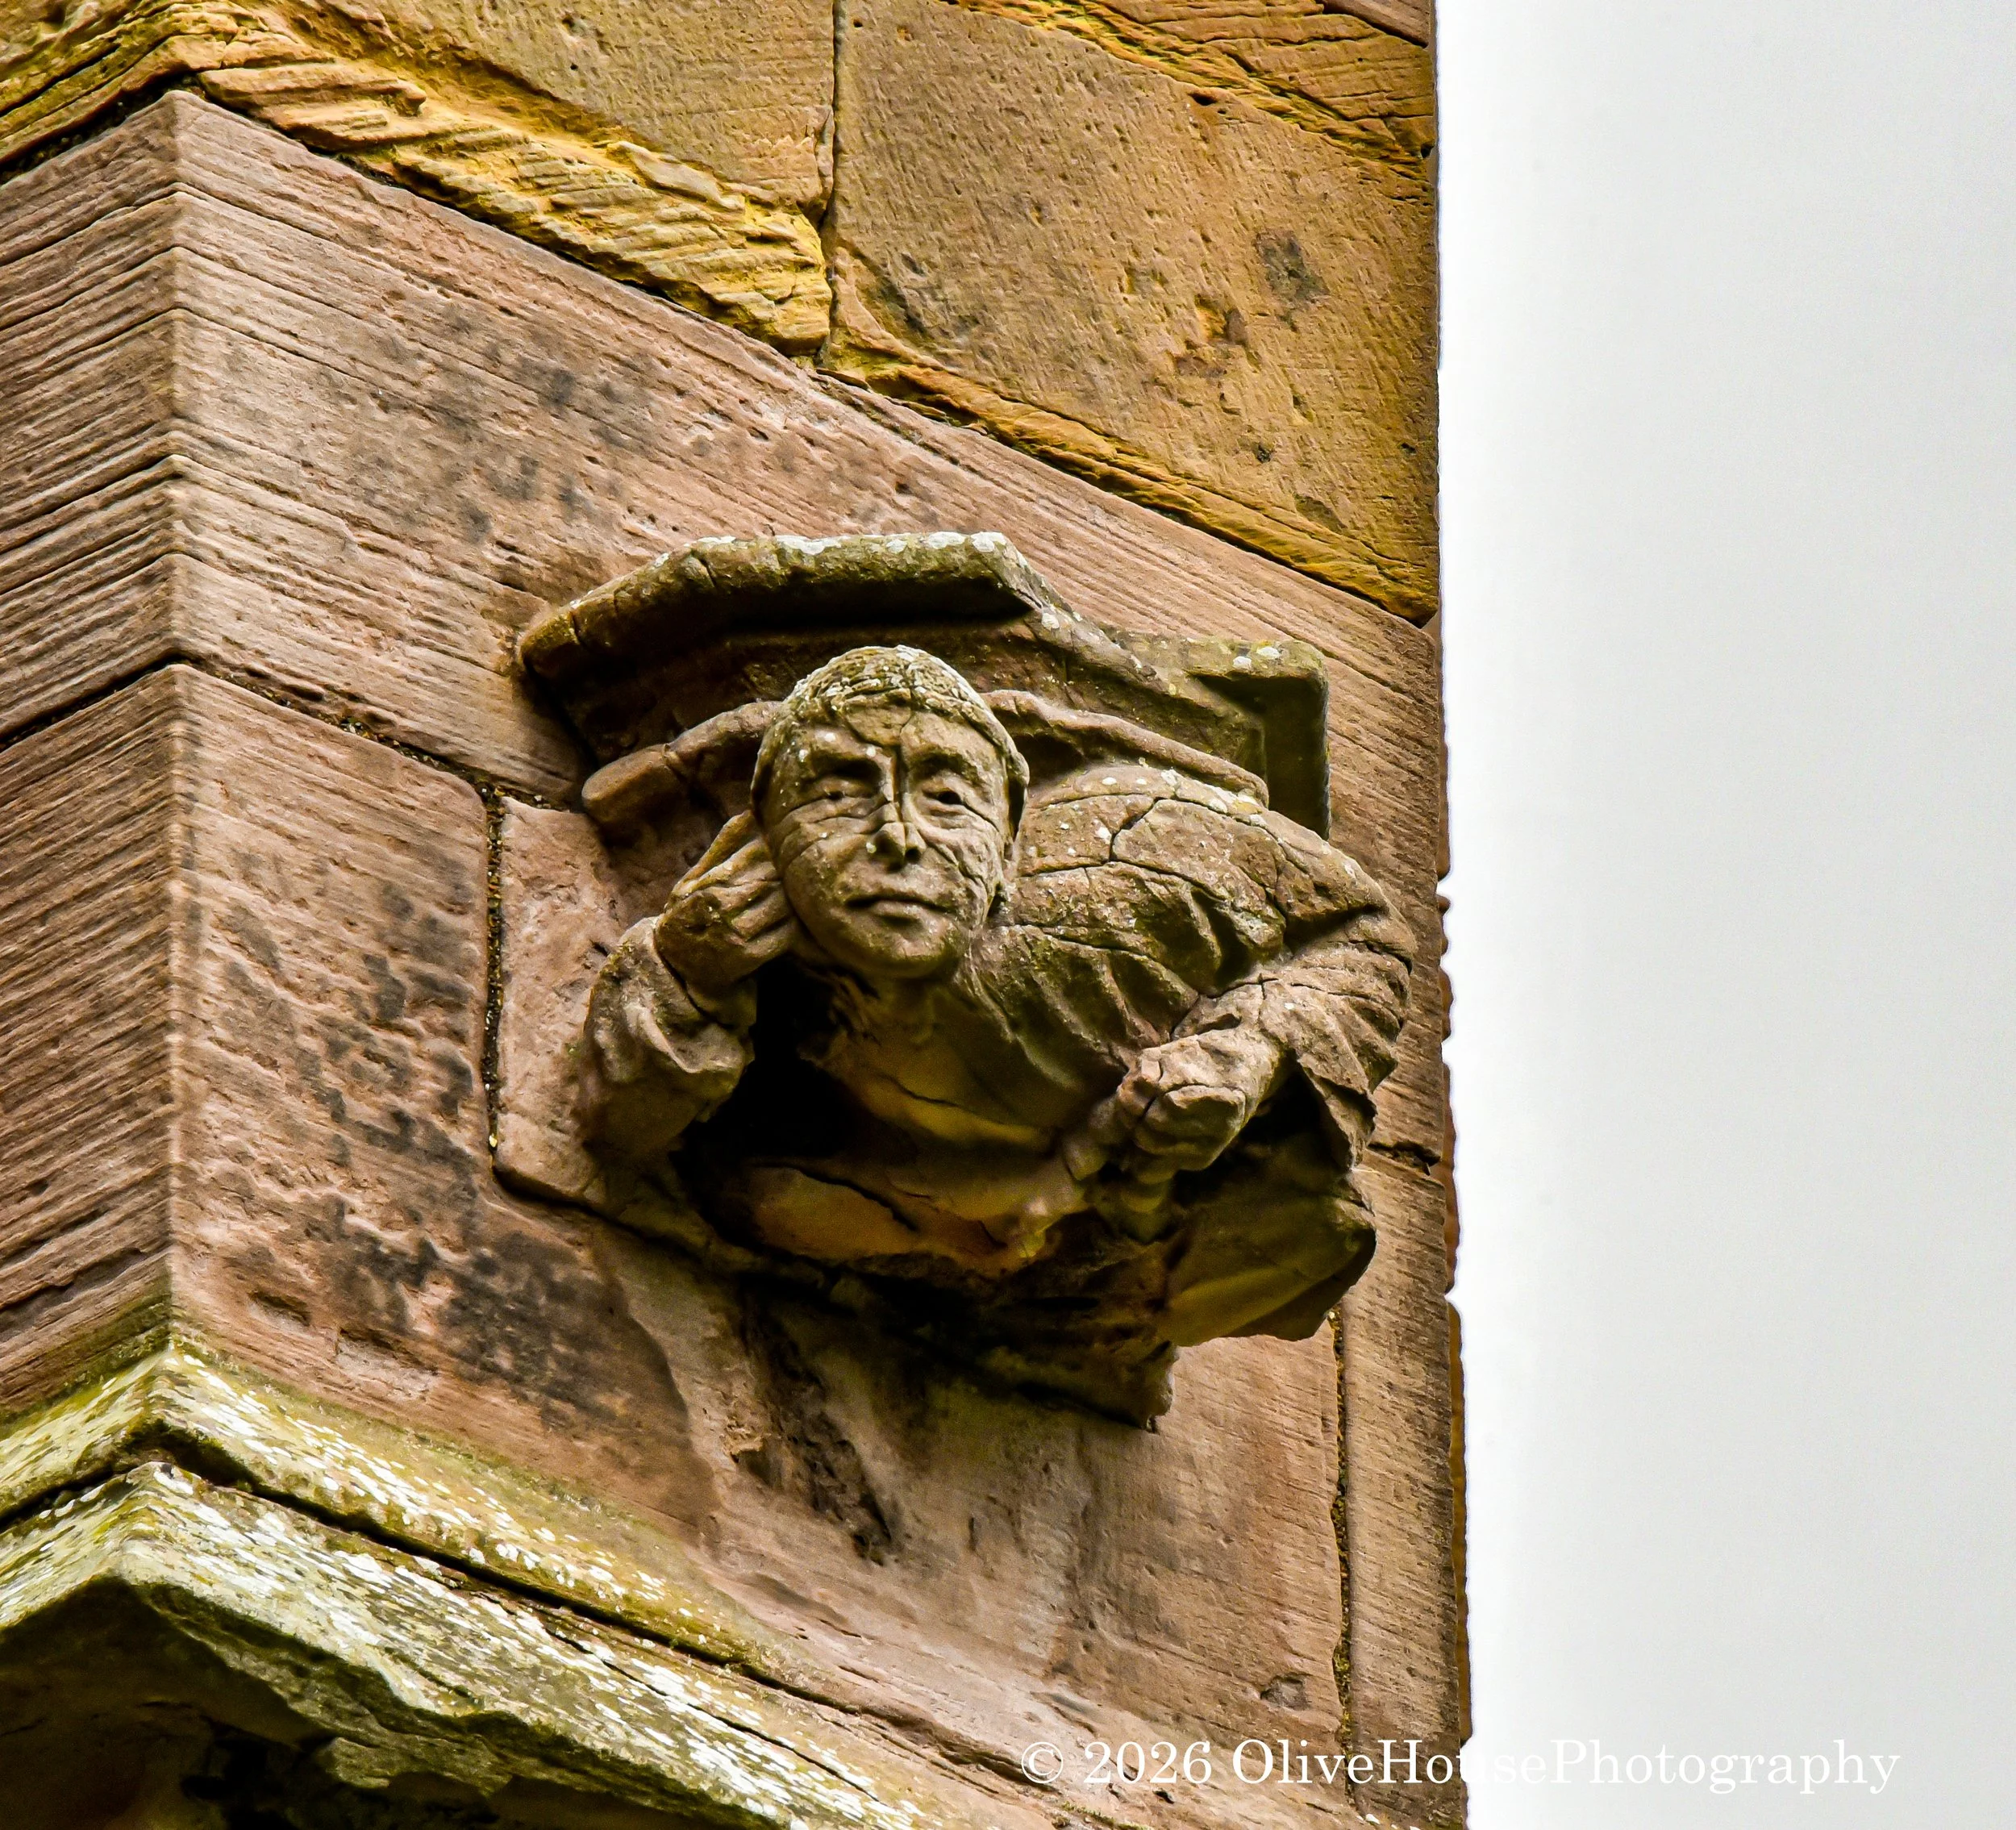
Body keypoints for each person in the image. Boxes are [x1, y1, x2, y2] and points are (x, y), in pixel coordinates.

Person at [583, 645, 1413, 1418]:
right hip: (924, 1213)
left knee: (1318, 1231)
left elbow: (1359, 926)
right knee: (753, 1192)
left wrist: (1248, 1048)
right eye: (837, 794)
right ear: (760, 841)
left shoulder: (1139, 860)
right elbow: (623, 1131)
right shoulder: (735, 955)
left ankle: (1101, 1308)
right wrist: (689, 970)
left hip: (1130, 1232)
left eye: (947, 798)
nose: (898, 839)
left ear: (1010, 838)